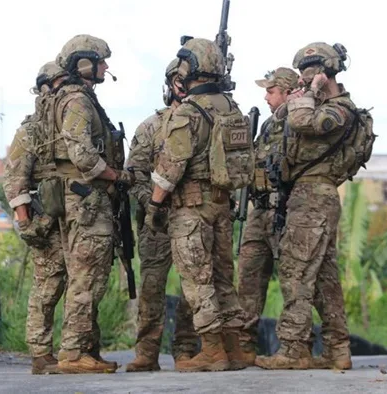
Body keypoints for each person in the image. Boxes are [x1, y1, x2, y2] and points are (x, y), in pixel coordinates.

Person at [146, 37, 253, 372]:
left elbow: (170, 168)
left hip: (191, 210)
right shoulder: (230, 108)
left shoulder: (189, 112)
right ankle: (234, 349)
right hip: (223, 204)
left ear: (189, 68)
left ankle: (211, 350)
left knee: (196, 279)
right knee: (223, 277)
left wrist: (154, 206)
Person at [256, 42, 355, 370]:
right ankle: (337, 350)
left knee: (295, 271)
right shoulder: (316, 103)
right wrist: (303, 93)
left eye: (306, 73)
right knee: (325, 278)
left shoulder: (340, 109)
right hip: (305, 197)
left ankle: (294, 348)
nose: (302, 79)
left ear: (322, 73)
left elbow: (299, 121)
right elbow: (282, 116)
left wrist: (308, 93)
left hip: (314, 198)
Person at [51, 34, 135, 374]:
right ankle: (72, 354)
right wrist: (116, 176)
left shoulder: (81, 99)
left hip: (87, 201)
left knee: (91, 276)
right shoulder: (77, 102)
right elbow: (82, 155)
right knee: (87, 278)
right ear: (83, 63)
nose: (106, 67)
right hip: (86, 202)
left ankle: (86, 349)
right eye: (101, 61)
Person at [124, 57, 198, 372]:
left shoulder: (203, 122)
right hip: (156, 222)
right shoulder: (151, 126)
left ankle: (186, 350)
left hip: (193, 216)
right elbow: (134, 174)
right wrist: (153, 202)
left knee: (193, 288)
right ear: (170, 85)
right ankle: (147, 351)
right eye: (178, 82)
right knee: (152, 287)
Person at [3, 61, 69, 374]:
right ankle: (41, 353)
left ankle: (76, 349)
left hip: (77, 217)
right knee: (47, 288)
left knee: (82, 284)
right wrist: (26, 221)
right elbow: (15, 178)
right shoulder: (30, 132)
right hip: (47, 219)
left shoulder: (72, 124)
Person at [235, 67, 298, 362]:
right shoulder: (268, 124)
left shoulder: (297, 119)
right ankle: (243, 345)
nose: (266, 96)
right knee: (248, 277)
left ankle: (295, 344)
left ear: (287, 92)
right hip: (259, 209)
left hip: (282, 209)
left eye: (271, 91)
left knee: (292, 279)